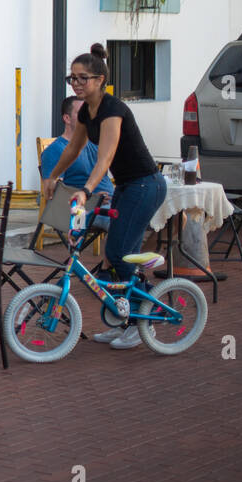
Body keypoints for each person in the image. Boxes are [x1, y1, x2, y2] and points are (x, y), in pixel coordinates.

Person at [44, 43, 166, 350]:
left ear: (100, 80)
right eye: (71, 78)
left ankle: (141, 322)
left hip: (145, 184)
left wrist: (86, 190)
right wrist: (54, 175)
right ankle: (125, 319)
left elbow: (105, 158)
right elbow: (73, 148)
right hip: (128, 186)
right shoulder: (86, 111)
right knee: (116, 254)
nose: (76, 84)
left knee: (122, 251)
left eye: (82, 78)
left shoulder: (113, 109)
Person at [40, 95, 114, 198]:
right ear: (67, 118)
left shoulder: (94, 143)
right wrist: (93, 199)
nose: (87, 117)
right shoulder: (54, 150)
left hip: (114, 202)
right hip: (87, 208)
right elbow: (54, 194)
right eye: (82, 113)